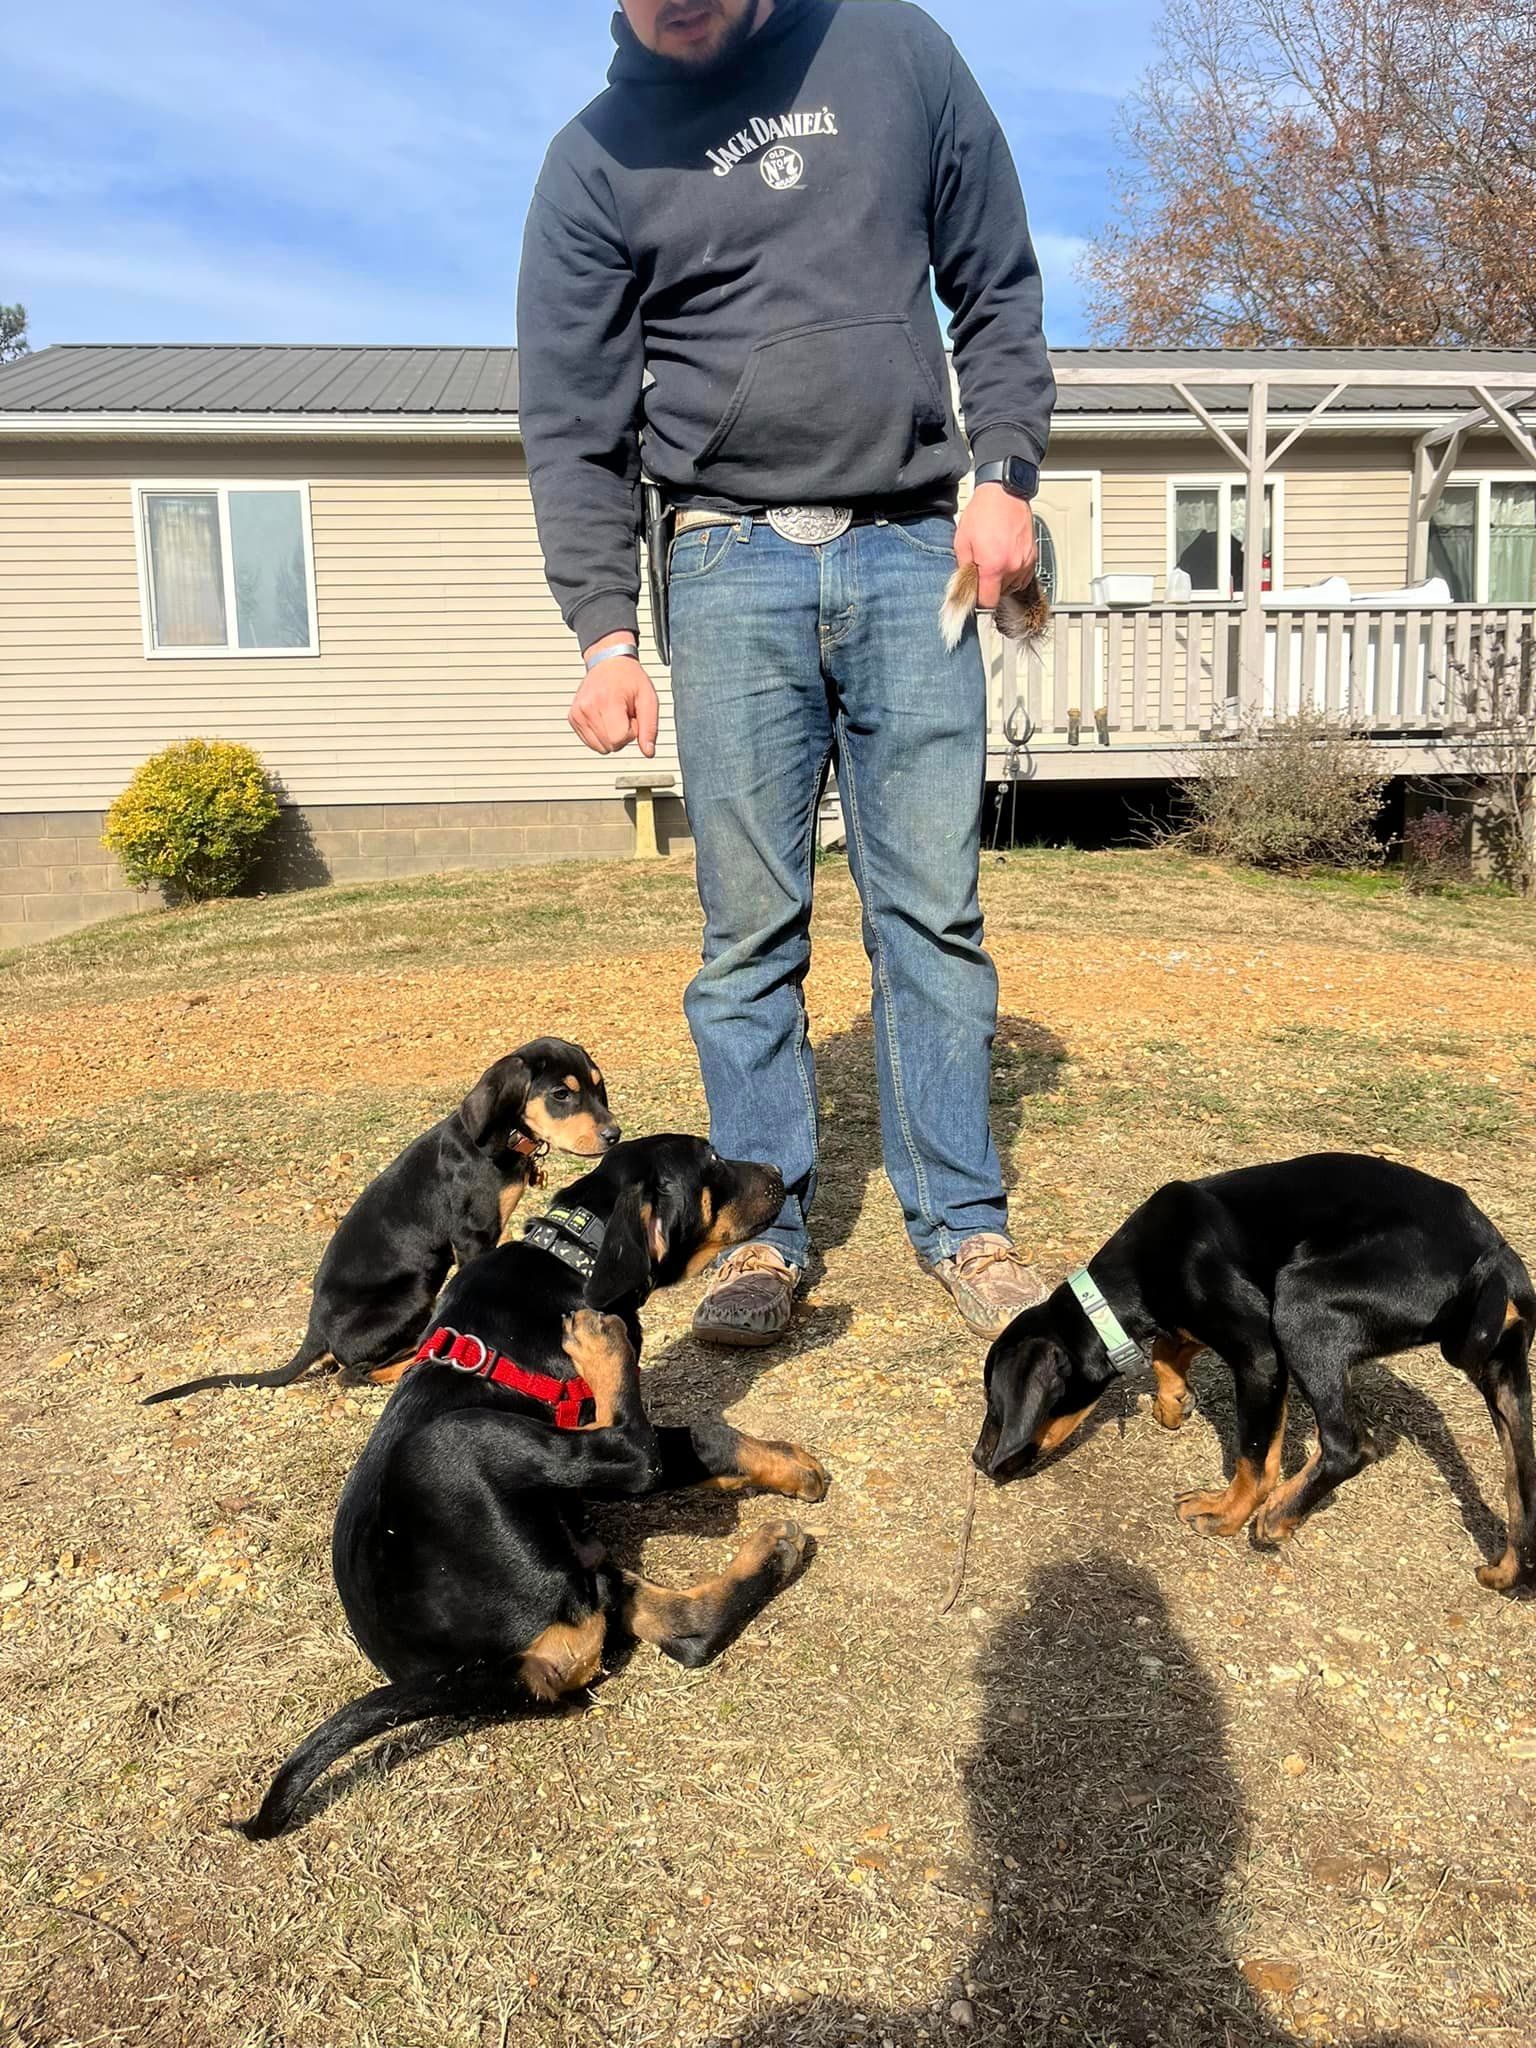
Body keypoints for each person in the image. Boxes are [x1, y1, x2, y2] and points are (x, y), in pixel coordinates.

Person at [517, 0, 1055, 1345]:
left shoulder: (895, 49)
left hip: (912, 543)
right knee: (748, 934)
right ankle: (763, 1236)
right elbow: (573, 422)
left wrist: (1004, 477)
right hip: (724, 560)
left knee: (930, 910)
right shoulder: (595, 160)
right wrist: (602, 630)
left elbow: (995, 276)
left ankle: (963, 1220)